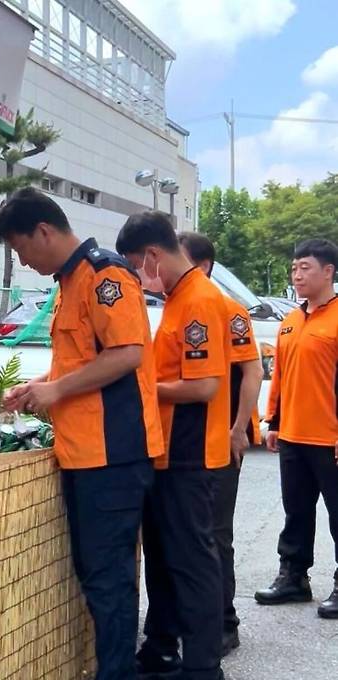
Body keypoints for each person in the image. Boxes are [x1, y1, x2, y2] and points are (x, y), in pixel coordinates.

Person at [0, 188, 163, 680]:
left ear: (44, 231)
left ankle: (117, 674)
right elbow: (83, 361)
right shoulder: (69, 281)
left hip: (112, 455)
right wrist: (40, 385)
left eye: (22, 249)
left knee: (108, 579)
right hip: (85, 453)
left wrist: (59, 389)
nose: (24, 262)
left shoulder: (105, 275)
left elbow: (128, 354)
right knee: (98, 575)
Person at [116, 212, 231, 680]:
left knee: (191, 560)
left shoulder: (201, 300)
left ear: (152, 256)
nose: (138, 278)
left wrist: (142, 385)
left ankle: (203, 665)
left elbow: (203, 387)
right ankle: (161, 648)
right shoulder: (178, 298)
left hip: (190, 451)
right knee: (164, 559)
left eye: (136, 267)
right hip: (166, 451)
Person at [178, 231, 263, 655]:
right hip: (190, 444)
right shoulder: (181, 306)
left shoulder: (230, 312)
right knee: (194, 534)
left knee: (216, 534)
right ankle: (195, 618)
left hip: (221, 441)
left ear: (204, 265)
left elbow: (252, 373)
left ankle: (225, 621)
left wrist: (238, 429)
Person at [255, 238, 338, 619]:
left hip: (331, 438)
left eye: (305, 267)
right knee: (296, 512)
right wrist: (273, 422)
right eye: (294, 268)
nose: (297, 274)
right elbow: (281, 379)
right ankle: (294, 577)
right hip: (293, 436)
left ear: (328, 272)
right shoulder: (290, 323)